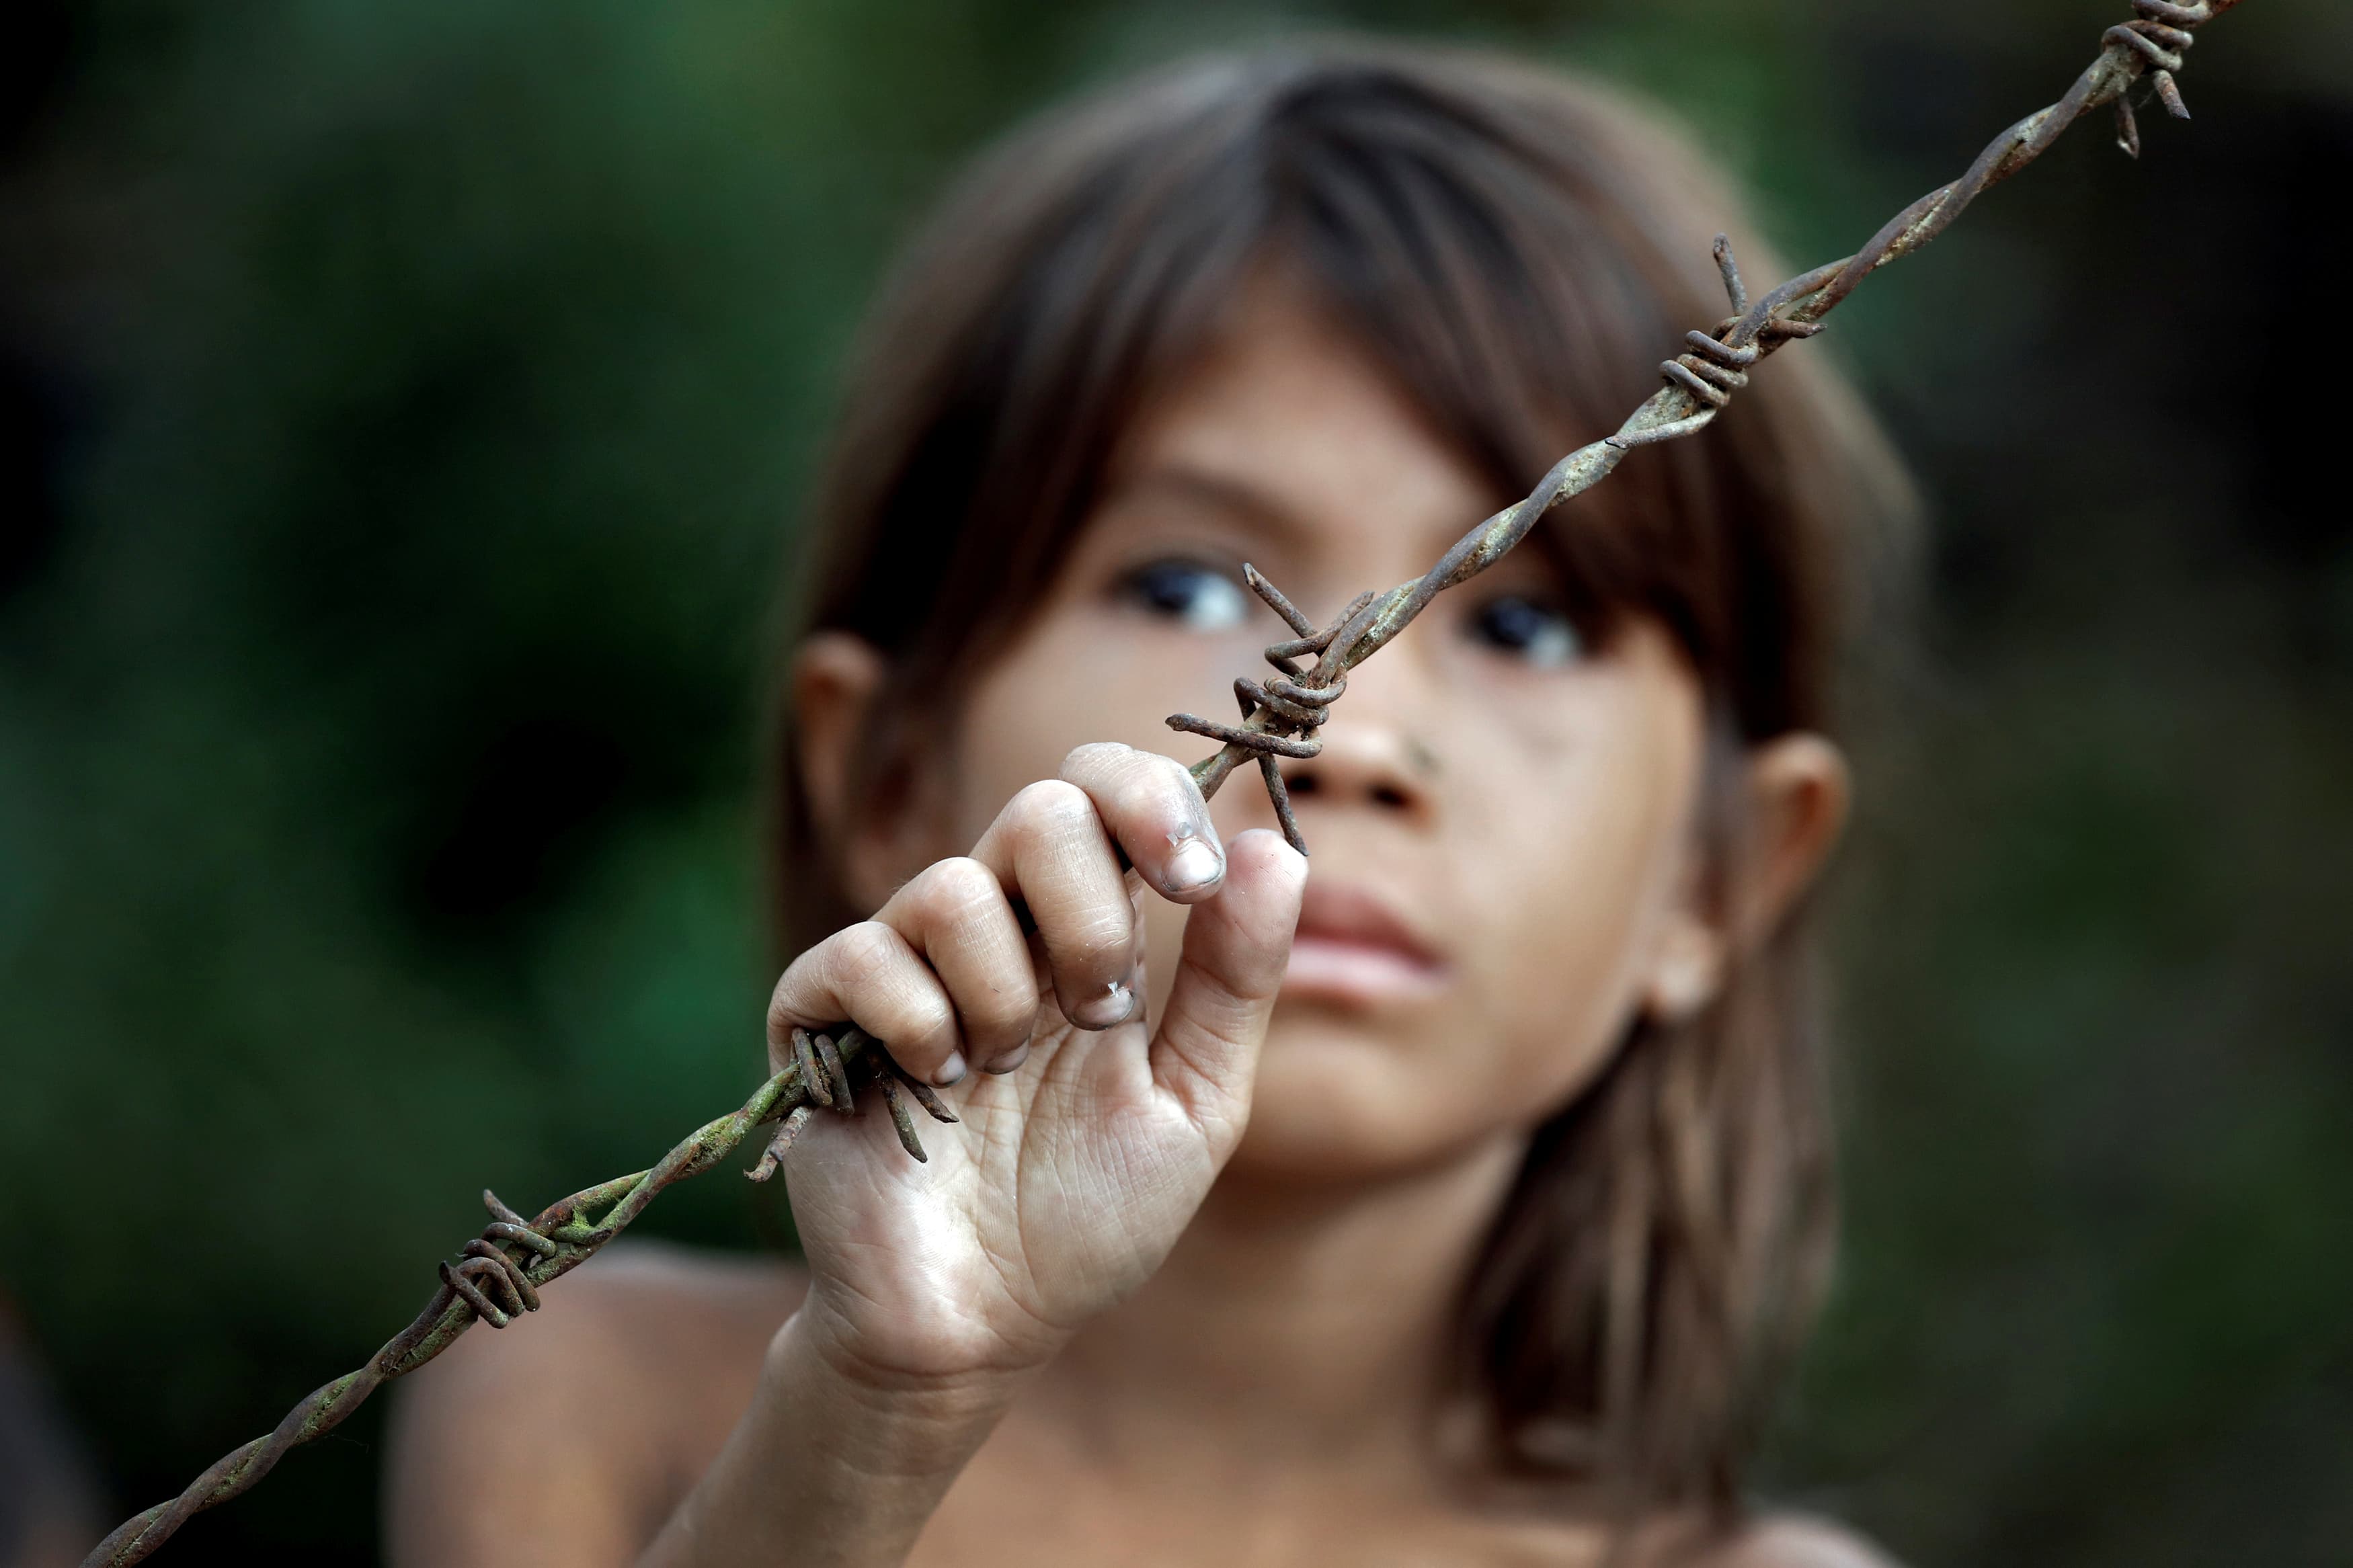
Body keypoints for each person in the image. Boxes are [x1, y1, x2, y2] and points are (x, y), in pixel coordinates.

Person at [387, 37, 1912, 1568]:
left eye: (1528, 627)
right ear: (888, 768)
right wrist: (877, 1406)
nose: (1349, 735)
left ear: (1722, 877)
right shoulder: (608, 1398)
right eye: (1184, 582)